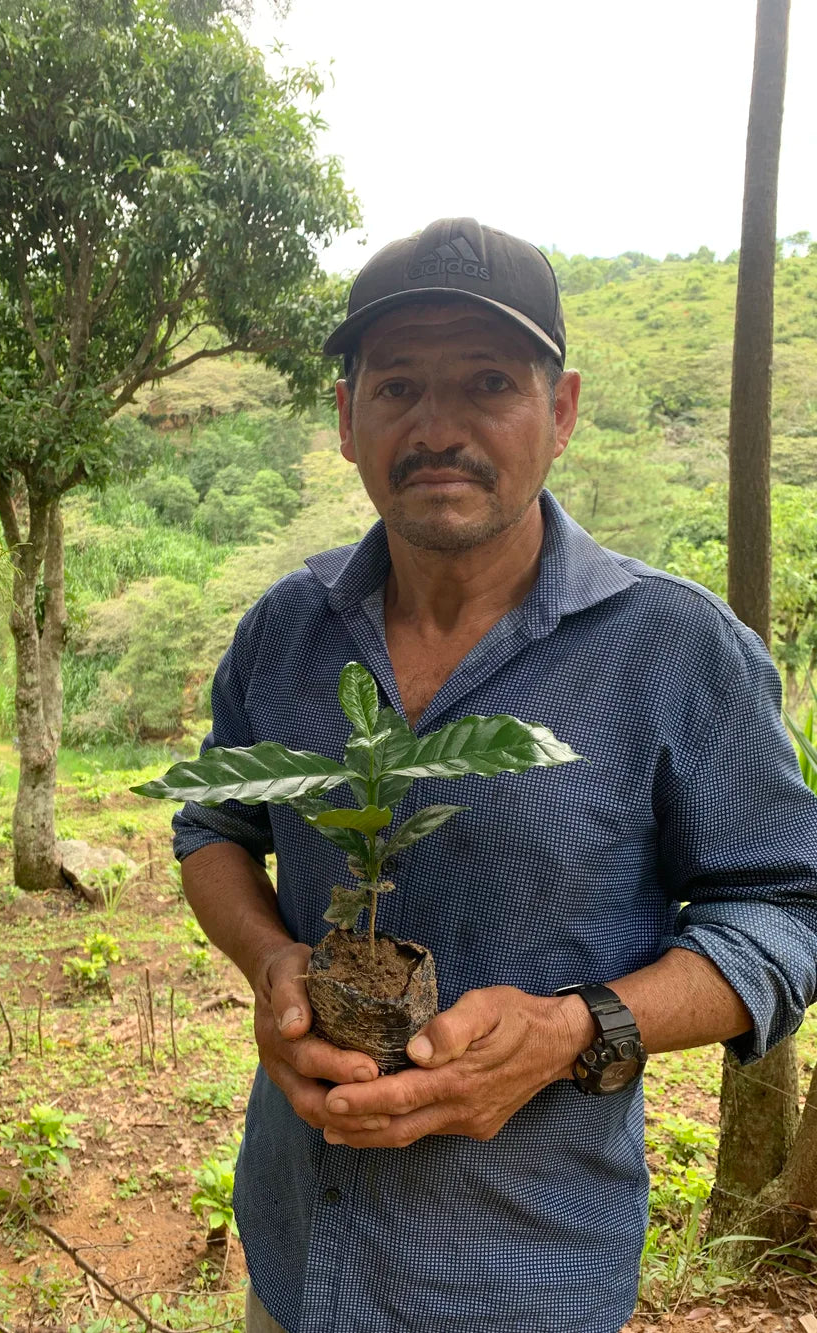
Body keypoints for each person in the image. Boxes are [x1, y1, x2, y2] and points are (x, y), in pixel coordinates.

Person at [172, 217, 817, 1333]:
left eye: (486, 384)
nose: (438, 428)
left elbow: (786, 910)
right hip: (294, 1250)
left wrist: (577, 1028)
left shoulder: (677, 649)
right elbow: (213, 825)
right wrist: (272, 959)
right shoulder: (285, 628)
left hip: (523, 1279)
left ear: (558, 411)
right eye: (398, 388)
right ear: (345, 419)